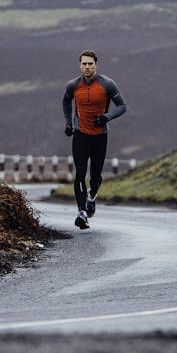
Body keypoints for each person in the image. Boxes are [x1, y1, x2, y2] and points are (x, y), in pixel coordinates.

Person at [62, 49, 126, 229]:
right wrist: (69, 124)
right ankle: (82, 213)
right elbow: (66, 101)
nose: (87, 67)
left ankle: (92, 197)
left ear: (96, 65)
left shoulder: (107, 84)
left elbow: (122, 106)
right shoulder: (73, 85)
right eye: (84, 64)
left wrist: (107, 117)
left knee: (96, 176)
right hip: (80, 135)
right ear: (80, 66)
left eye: (90, 64)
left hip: (99, 136)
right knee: (80, 173)